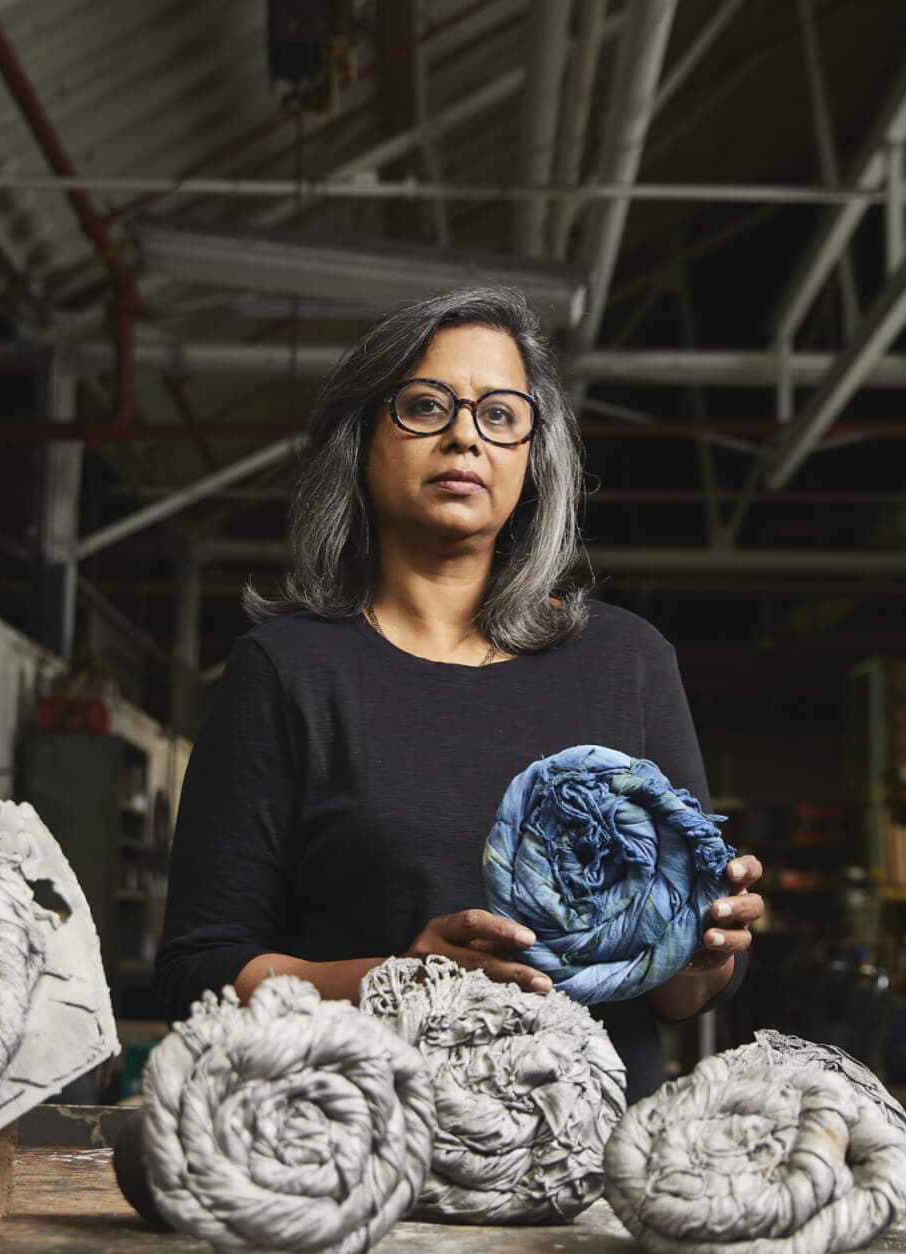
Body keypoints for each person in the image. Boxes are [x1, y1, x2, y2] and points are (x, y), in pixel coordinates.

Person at [153, 284, 762, 1101]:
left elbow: (676, 997)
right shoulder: (287, 672)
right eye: (425, 405)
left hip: (589, 1172)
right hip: (359, 1153)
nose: (464, 436)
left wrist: (704, 947)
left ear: (530, 457)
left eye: (500, 414)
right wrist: (396, 981)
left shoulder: (629, 661)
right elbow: (199, 972)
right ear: (362, 439)